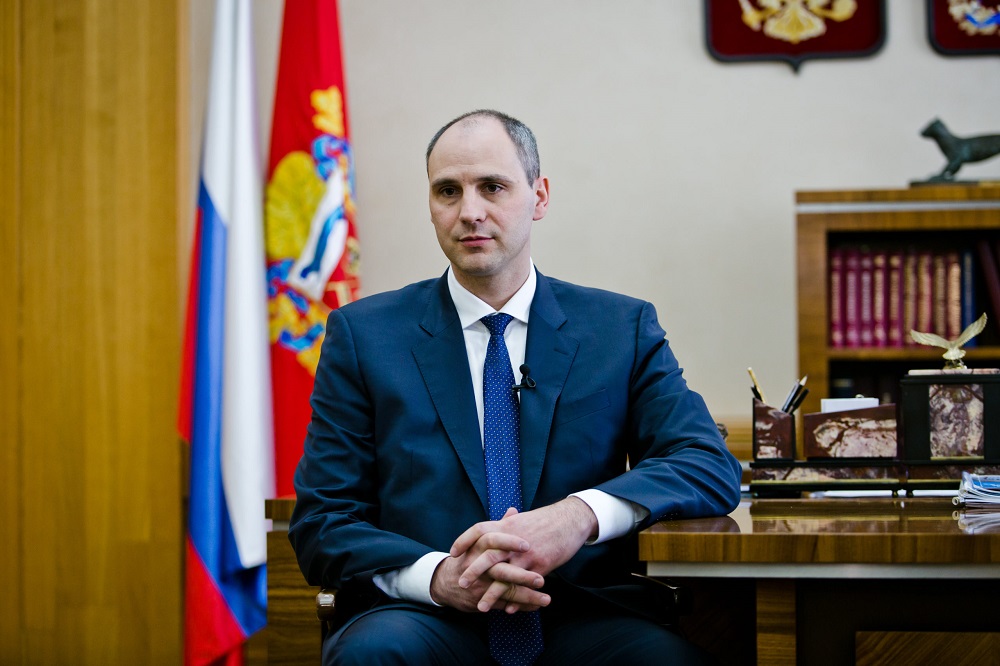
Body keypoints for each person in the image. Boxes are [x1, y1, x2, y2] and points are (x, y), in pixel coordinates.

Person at [289, 109, 742, 665]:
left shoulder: (619, 329)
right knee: (372, 656)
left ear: (539, 196)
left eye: (493, 187)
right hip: (424, 617)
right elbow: (323, 519)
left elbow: (705, 462)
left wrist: (578, 516)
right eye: (448, 191)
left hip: (583, 611)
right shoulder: (365, 336)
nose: (469, 212)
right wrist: (439, 577)